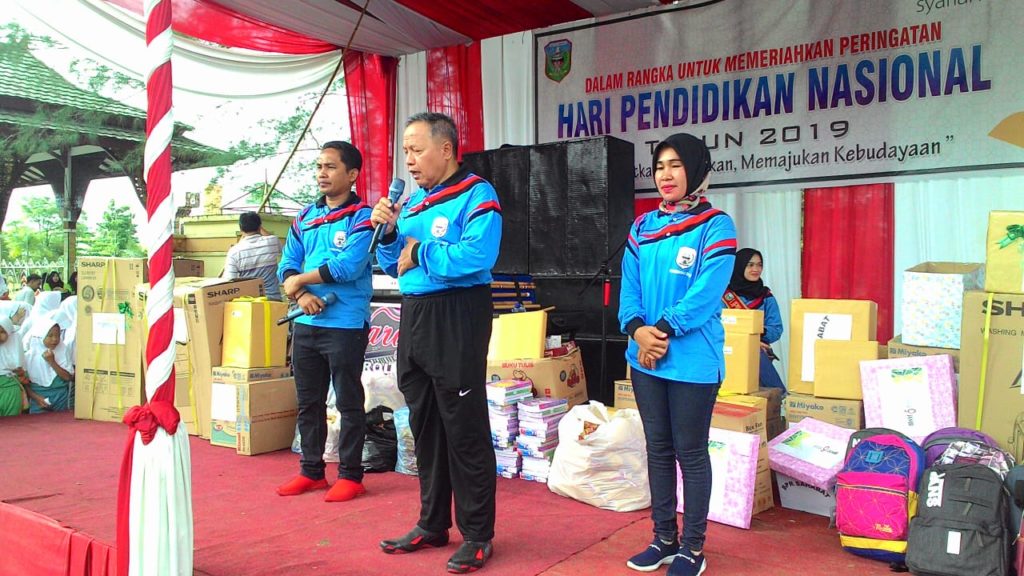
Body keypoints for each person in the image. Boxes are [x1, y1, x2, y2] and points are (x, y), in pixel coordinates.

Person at [371, 112, 502, 574]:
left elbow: (478, 254)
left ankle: (478, 533)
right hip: (415, 313)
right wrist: (390, 234)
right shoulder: (412, 203)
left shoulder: (477, 194)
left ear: (446, 149)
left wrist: (420, 251)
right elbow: (394, 263)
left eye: (417, 149)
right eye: (405, 151)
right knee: (424, 425)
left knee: (464, 427)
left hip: (457, 312)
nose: (409, 160)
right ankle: (432, 523)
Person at [618, 133, 736, 576]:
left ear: (697, 169)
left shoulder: (717, 226)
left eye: (675, 165)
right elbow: (629, 288)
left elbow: (706, 293)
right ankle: (664, 538)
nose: (665, 175)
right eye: (659, 167)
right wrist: (637, 331)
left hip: (692, 362)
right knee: (658, 449)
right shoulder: (642, 228)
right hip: (644, 358)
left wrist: (661, 331)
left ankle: (692, 547)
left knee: (691, 453)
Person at [276, 141, 373, 503]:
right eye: (319, 166)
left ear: (352, 174)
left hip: (346, 324)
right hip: (306, 322)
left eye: (331, 167)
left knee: (348, 401)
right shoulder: (304, 217)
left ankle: (351, 475)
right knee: (309, 401)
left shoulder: (364, 217)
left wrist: (299, 281)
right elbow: (286, 264)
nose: (322, 173)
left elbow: (349, 267)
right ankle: (312, 471)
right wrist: (301, 295)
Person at [723, 248, 786, 391]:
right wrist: (749, 341)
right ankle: (781, 395)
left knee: (755, 351)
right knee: (754, 349)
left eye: (759, 265)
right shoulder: (724, 296)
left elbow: (776, 328)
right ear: (739, 266)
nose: (755, 269)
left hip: (759, 351)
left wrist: (757, 334)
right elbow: (716, 325)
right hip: (728, 347)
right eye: (750, 265)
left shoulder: (766, 297)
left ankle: (779, 398)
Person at [224, 211, 284, 301]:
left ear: (241, 229)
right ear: (260, 227)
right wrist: (259, 227)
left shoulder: (234, 252)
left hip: (248, 303)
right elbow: (273, 240)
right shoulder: (272, 242)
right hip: (273, 301)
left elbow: (229, 281)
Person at [24, 312, 73, 413]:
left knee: (61, 421)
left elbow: (68, 377)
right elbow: (24, 383)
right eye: (50, 336)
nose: (55, 339)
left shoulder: (63, 350)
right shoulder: (29, 357)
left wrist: (52, 362)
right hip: (39, 397)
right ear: (40, 336)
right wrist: (36, 398)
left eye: (58, 335)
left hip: (60, 396)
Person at [0, 316, 28, 416]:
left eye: (2, 332)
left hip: (11, 392)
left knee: (12, 422)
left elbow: (23, 372)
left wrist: (20, 372)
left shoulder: (15, 343)